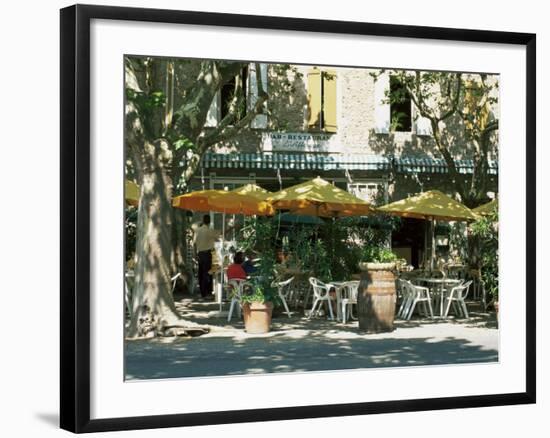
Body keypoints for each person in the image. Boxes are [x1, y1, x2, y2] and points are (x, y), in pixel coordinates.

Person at [194, 214, 220, 300]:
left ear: (203, 220)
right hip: (207, 253)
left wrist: (195, 254)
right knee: (207, 273)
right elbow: (220, 234)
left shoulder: (197, 230)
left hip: (200, 253)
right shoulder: (209, 231)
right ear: (209, 221)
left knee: (201, 273)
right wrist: (233, 227)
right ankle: (206, 293)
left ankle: (202, 292)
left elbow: (194, 243)